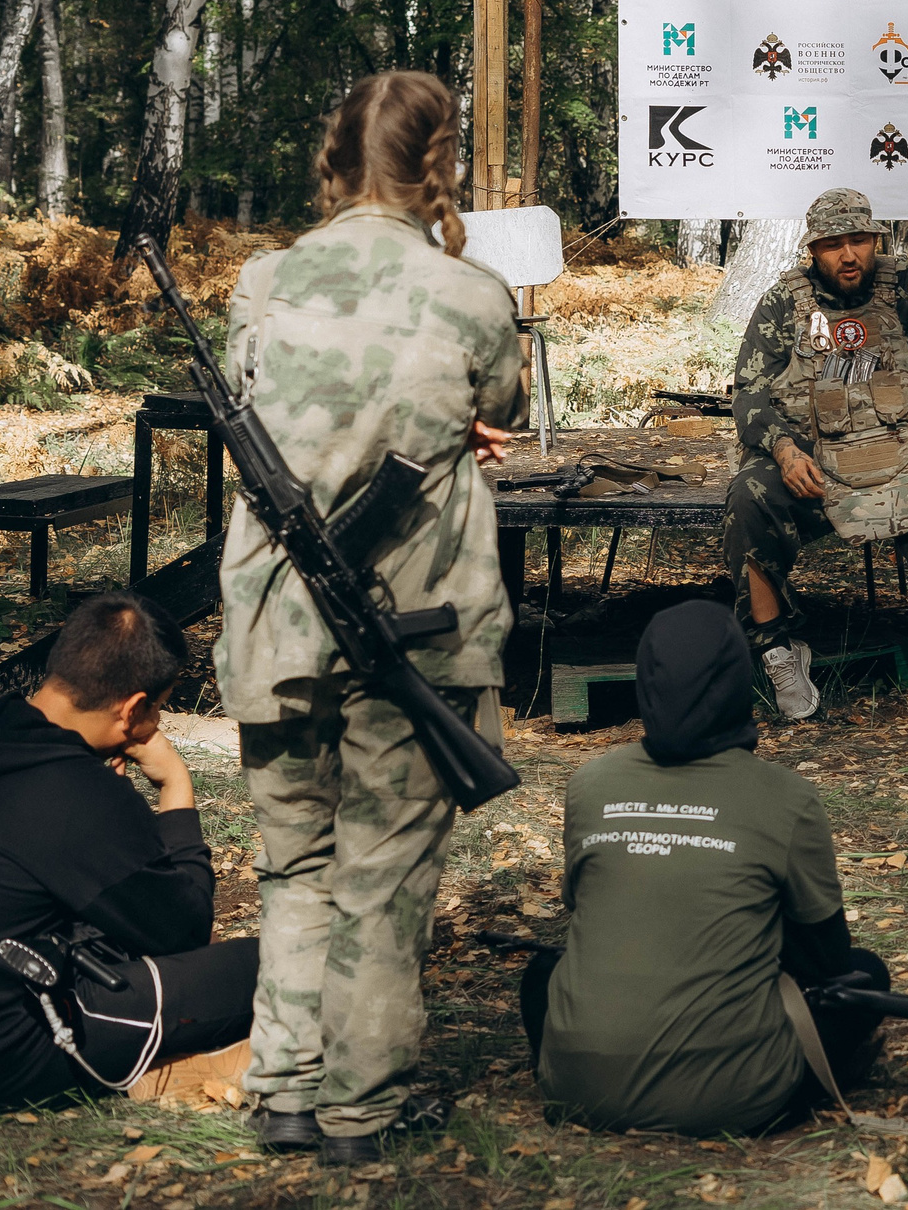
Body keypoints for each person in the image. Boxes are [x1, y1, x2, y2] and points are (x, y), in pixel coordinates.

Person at [219, 69, 526, 1165]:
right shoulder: (473, 292)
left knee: (293, 863)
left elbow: (257, 406)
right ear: (439, 162)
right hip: (418, 620)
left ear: (333, 156)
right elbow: (501, 407)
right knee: (383, 870)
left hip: (273, 622)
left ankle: (289, 1087)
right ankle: (362, 1102)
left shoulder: (262, 281)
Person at [0, 594, 257, 1112]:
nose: (157, 724)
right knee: (278, 964)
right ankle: (177, 1068)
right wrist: (175, 787)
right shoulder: (77, 790)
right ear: (132, 709)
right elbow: (185, 930)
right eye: (160, 707)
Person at [529, 602, 891, 1133]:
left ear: (644, 681)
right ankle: (806, 1088)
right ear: (742, 682)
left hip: (575, 1093)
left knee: (543, 971)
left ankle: (589, 1069)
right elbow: (827, 961)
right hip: (731, 1104)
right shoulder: (786, 796)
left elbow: (586, 910)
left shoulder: (590, 782)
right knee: (868, 975)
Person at [726, 188, 908, 723]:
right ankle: (776, 651)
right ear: (812, 250)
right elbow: (748, 394)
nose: (848, 255)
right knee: (750, 496)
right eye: (833, 244)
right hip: (813, 456)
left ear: (875, 240)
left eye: (859, 240)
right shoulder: (782, 302)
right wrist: (784, 449)